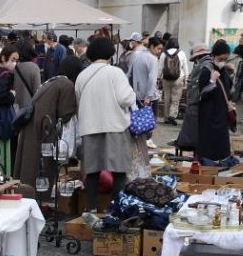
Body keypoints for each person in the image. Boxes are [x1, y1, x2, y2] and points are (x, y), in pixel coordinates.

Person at [74, 37, 136, 212]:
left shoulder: (82, 75)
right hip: (115, 127)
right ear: (110, 54)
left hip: (89, 127)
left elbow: (78, 101)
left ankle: (91, 209)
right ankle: (117, 210)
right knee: (118, 171)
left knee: (92, 172)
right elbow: (126, 99)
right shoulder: (116, 73)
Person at [13, 55, 83, 187]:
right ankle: (39, 196)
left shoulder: (51, 81)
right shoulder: (67, 85)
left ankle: (28, 193)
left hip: (33, 128)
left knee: (29, 166)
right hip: (45, 131)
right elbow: (66, 114)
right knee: (42, 172)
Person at [193, 40, 236, 166]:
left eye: (225, 59)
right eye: (220, 59)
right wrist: (212, 81)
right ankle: (207, 164)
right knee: (208, 141)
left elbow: (228, 89)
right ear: (213, 56)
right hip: (208, 113)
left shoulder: (224, 71)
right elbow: (202, 94)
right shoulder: (206, 70)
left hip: (221, 112)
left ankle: (222, 163)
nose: (223, 62)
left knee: (221, 141)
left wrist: (231, 73)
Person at [128, 35, 161, 178]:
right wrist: (149, 96)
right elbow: (152, 79)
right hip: (147, 95)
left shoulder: (137, 55)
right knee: (148, 122)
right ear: (152, 46)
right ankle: (146, 145)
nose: (159, 51)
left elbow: (129, 74)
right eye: (158, 48)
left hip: (136, 93)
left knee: (138, 121)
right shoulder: (152, 59)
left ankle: (139, 146)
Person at [158, 38, 187, 125]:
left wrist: (158, 78)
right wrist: (186, 78)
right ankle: (172, 115)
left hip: (166, 78)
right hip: (178, 78)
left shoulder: (164, 54)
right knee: (175, 99)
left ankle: (166, 117)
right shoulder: (182, 53)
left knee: (167, 98)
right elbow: (185, 67)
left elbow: (160, 68)